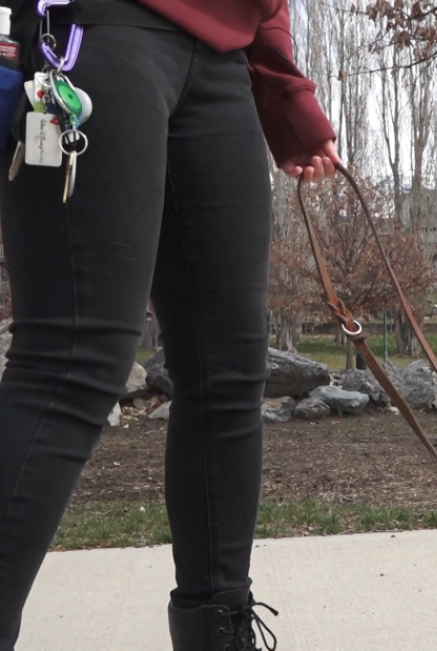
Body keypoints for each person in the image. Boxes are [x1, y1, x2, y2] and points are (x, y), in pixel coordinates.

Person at [0, 1, 337, 650]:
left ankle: (219, 633)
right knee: (72, 361)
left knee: (230, 374)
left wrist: (286, 92)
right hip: (96, 33)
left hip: (221, 62)